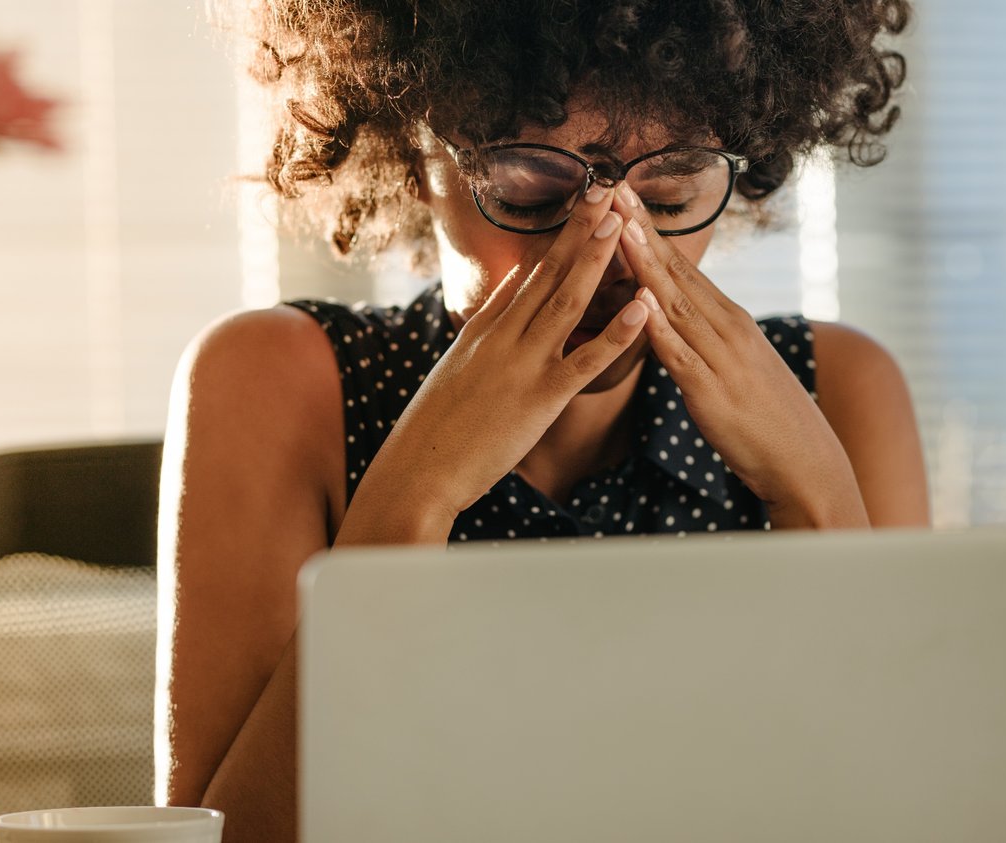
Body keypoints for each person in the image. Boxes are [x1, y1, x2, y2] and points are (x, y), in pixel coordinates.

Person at [160, 1, 928, 840]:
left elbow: (907, 811)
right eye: (529, 189)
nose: (612, 250)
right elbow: (220, 834)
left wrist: (813, 492)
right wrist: (418, 489)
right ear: (419, 157)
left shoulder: (840, 391)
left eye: (670, 196)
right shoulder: (277, 381)